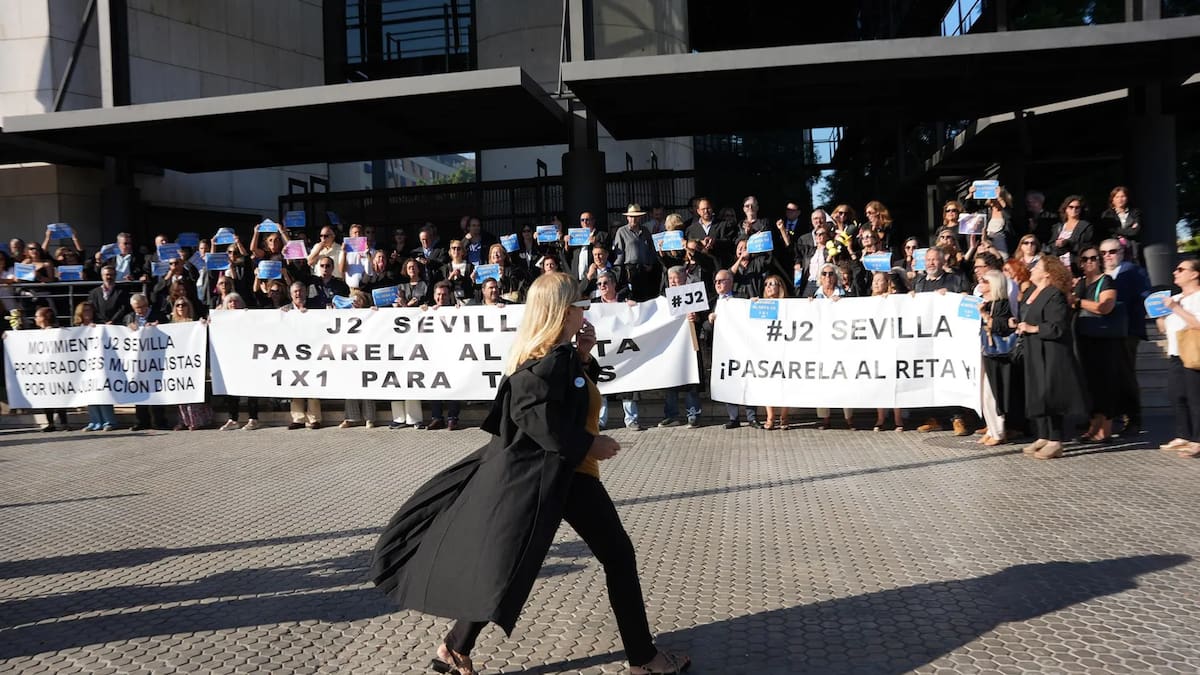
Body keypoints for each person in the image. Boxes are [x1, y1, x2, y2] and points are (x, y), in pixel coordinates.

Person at [369, 272, 690, 675]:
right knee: (616, 557)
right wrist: (589, 444)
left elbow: (561, 401)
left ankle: (454, 648)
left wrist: (585, 357)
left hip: (565, 472)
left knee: (512, 560)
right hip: (570, 473)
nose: (585, 313)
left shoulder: (558, 356)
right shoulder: (547, 361)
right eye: (580, 306)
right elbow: (533, 414)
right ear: (563, 311)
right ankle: (645, 659)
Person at [1016, 256, 1087, 460]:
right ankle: (1043, 435)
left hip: (1050, 351)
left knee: (1050, 393)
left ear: (1047, 273)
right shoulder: (1030, 291)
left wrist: (1033, 328)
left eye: (1037, 266)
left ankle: (1055, 440)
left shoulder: (1054, 294)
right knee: (1037, 392)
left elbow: (1058, 326)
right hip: (1033, 348)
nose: (1032, 268)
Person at [1071, 245, 1123, 443]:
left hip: (1104, 340)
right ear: (1080, 263)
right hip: (1083, 338)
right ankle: (1093, 426)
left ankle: (1106, 429)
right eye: (1085, 259)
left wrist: (1078, 302)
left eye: (1094, 257)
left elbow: (1106, 307)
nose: (1090, 261)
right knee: (1090, 385)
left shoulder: (1106, 280)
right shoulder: (1081, 283)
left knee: (1105, 384)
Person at [1101, 238, 1150, 435]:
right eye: (1103, 253)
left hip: (1127, 331)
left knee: (1126, 376)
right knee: (1109, 376)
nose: (1108, 256)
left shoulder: (1133, 271)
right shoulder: (1101, 274)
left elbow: (1145, 295)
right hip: (1105, 331)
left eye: (1112, 251)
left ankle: (1134, 419)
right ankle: (1112, 417)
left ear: (1121, 252)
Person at [1158, 258, 1200, 458]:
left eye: (1181, 269)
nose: (1176, 272)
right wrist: (1159, 317)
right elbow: (1165, 327)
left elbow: (1197, 323)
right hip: (1176, 352)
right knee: (1177, 395)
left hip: (1193, 352)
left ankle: (1197, 440)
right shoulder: (1176, 297)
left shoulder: (1197, 297)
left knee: (1195, 397)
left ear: (1194, 274)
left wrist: (1175, 308)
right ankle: (1183, 435)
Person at [978, 270, 1017, 446]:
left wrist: (985, 316)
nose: (981, 282)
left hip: (997, 353)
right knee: (984, 392)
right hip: (985, 350)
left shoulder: (1002, 304)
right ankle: (991, 427)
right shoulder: (984, 303)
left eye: (985, 280)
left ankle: (999, 431)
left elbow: (1003, 326)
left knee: (993, 392)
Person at [282, 281, 323, 430]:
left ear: (305, 292)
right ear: (291, 294)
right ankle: (298, 418)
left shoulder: (315, 307)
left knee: (312, 383)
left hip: (312, 351)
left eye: (300, 291)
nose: (298, 294)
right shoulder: (285, 310)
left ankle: (314, 418)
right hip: (292, 353)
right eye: (295, 292)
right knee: (296, 384)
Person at [127, 293, 170, 431]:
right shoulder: (129, 317)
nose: (141, 310)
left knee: (156, 391)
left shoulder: (159, 315)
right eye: (137, 308)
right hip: (138, 360)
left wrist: (157, 327)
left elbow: (170, 331)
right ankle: (141, 421)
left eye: (143, 306)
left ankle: (159, 422)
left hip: (156, 359)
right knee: (139, 390)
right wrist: (128, 327)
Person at [425, 281, 463, 430]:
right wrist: (424, 311)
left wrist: (461, 311)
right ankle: (437, 417)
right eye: (438, 294)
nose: (441, 297)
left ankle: (453, 418)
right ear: (434, 296)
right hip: (434, 355)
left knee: (454, 385)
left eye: (444, 294)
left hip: (453, 354)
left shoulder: (457, 310)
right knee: (435, 385)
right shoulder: (428, 311)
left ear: (449, 296)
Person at [870, 272, 903, 432]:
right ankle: (880, 418)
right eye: (874, 281)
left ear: (886, 283)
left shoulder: (894, 299)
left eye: (879, 281)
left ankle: (898, 419)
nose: (876, 284)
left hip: (892, 345)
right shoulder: (867, 301)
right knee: (879, 382)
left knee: (894, 381)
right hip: (876, 347)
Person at [1049, 195, 1095, 270]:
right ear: (1066, 209)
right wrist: (1057, 244)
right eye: (1071, 207)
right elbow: (1051, 246)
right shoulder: (1058, 227)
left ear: (1081, 209)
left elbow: (1088, 246)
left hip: (1076, 266)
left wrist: (1068, 243)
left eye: (1077, 207)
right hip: (1058, 267)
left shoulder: (1086, 226)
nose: (1074, 209)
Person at [1098, 186, 1142, 260]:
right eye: (1117, 197)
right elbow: (1108, 231)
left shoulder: (1135, 212)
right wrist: (1128, 229)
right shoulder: (1107, 214)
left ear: (1127, 198)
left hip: (1132, 249)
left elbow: (1135, 232)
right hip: (1114, 250)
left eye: (1123, 196)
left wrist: (1116, 230)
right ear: (1112, 199)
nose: (1120, 199)